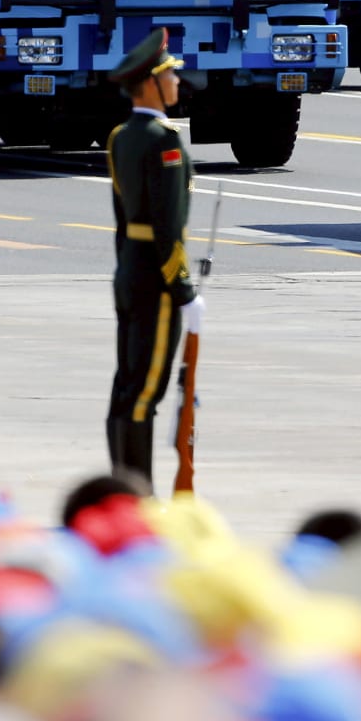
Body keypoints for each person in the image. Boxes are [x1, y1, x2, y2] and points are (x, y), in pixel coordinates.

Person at [102, 28, 203, 482]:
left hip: (129, 272)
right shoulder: (164, 142)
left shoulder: (121, 136)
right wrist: (183, 288)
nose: (177, 82)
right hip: (156, 281)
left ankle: (121, 485)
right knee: (146, 389)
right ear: (150, 83)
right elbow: (167, 228)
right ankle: (137, 495)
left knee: (127, 385)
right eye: (170, 75)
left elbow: (124, 222)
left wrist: (126, 269)